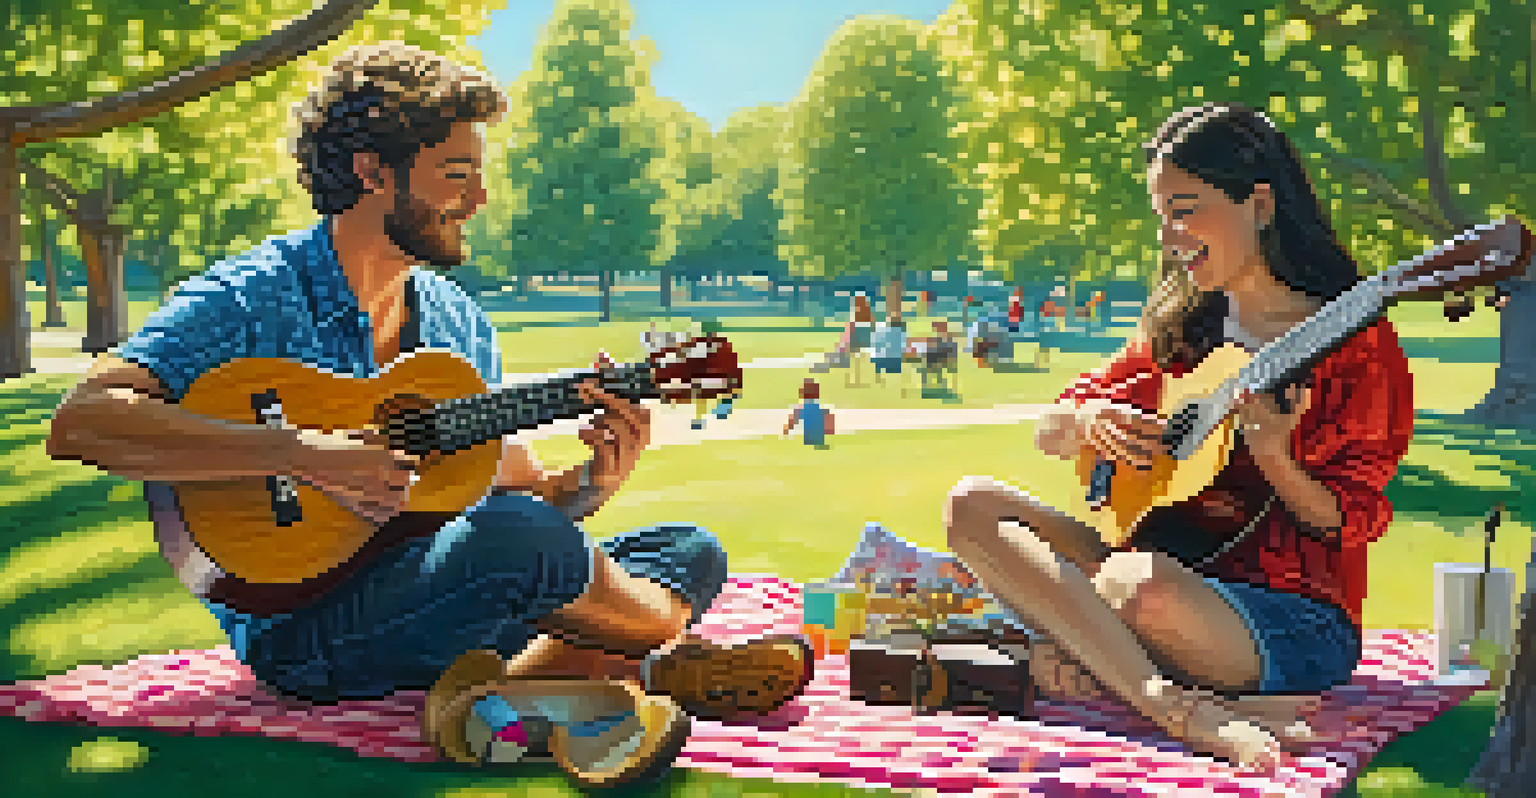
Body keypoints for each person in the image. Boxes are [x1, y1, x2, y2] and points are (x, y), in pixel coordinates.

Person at [43, 44, 811, 785]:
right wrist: (303, 452)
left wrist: (588, 487)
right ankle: (657, 665)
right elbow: (85, 420)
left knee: (689, 549)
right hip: (308, 631)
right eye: (455, 174)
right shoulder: (249, 296)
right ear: (372, 172)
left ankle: (503, 699)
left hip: (445, 595)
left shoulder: (457, 325)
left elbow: (497, 497)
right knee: (524, 544)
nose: (478, 200)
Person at [942, 102, 1414, 768]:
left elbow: (1355, 521)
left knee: (1133, 585)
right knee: (971, 504)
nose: (1170, 237)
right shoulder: (1183, 320)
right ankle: (1176, 703)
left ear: (1258, 204)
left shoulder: (1354, 344)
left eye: (1186, 209)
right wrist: (1086, 421)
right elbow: (1055, 426)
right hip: (1156, 577)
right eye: (1162, 216)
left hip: (1290, 620)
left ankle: (1112, 671)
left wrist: (1277, 459)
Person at [783, 377, 835, 447]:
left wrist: (786, 429)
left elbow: (793, 420)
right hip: (820, 439)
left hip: (809, 440)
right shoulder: (820, 408)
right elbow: (829, 421)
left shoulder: (803, 408)